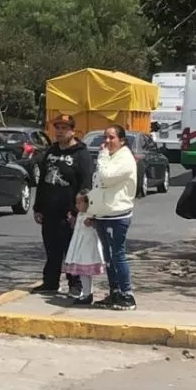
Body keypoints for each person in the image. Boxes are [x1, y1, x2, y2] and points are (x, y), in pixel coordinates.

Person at [31, 114, 94, 296]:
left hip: (69, 213)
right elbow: (42, 181)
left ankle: (75, 284)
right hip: (50, 210)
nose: (59, 132)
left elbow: (86, 185)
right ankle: (50, 282)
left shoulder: (81, 154)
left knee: (71, 249)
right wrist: (38, 207)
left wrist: (76, 211)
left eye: (64, 128)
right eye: (57, 128)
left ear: (72, 131)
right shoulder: (51, 152)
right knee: (52, 249)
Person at [86, 124, 139, 310]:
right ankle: (115, 292)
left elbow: (107, 178)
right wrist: (91, 213)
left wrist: (102, 156)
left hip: (117, 215)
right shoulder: (110, 157)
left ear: (122, 140)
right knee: (108, 256)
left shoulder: (124, 159)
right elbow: (98, 185)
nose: (107, 141)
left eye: (111, 137)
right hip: (103, 214)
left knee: (117, 255)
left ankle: (127, 294)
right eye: (105, 137)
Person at [63, 189, 105, 306]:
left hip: (87, 248)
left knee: (86, 272)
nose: (77, 205)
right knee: (83, 273)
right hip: (79, 247)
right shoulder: (80, 215)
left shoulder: (91, 217)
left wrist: (92, 222)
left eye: (79, 203)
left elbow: (96, 228)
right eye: (76, 203)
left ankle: (87, 294)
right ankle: (87, 293)